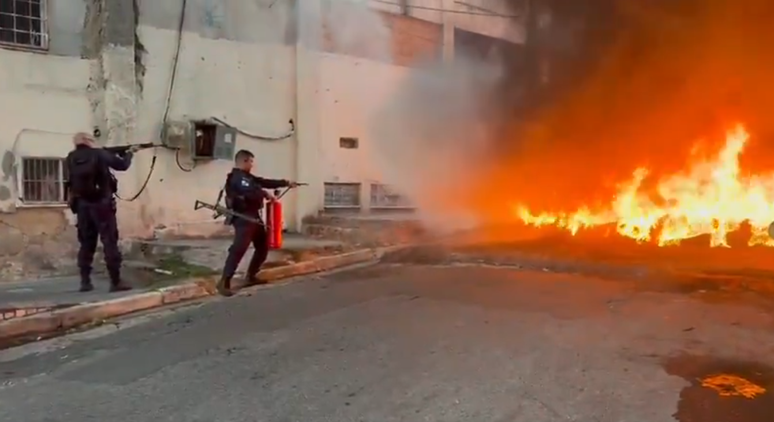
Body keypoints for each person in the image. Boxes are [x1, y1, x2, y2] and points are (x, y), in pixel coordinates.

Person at [65, 132, 140, 292]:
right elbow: (122, 166)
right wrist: (129, 154)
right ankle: (116, 281)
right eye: (92, 140)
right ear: (87, 141)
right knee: (109, 241)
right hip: (102, 205)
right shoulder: (99, 154)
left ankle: (85, 282)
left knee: (86, 244)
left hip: (82, 206)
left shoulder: (71, 158)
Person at [217, 149, 298, 296]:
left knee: (262, 246)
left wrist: (285, 183)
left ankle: (251, 276)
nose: (252, 165)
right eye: (251, 162)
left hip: (253, 217)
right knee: (239, 249)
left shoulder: (247, 177)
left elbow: (262, 181)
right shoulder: (237, 177)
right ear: (244, 161)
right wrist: (265, 194)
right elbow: (251, 191)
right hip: (243, 217)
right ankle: (224, 281)